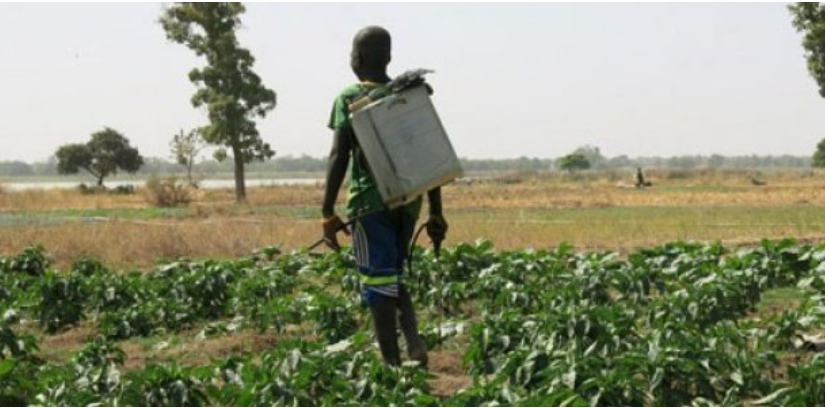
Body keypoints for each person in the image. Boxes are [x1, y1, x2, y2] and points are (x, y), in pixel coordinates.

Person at [321, 25, 449, 367]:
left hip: (368, 204)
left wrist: (326, 212)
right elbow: (428, 155)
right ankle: (415, 342)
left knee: (378, 283)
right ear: (388, 57)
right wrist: (435, 212)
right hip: (409, 203)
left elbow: (339, 156)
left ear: (357, 58)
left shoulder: (348, 98)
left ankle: (391, 365)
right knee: (393, 274)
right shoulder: (407, 97)